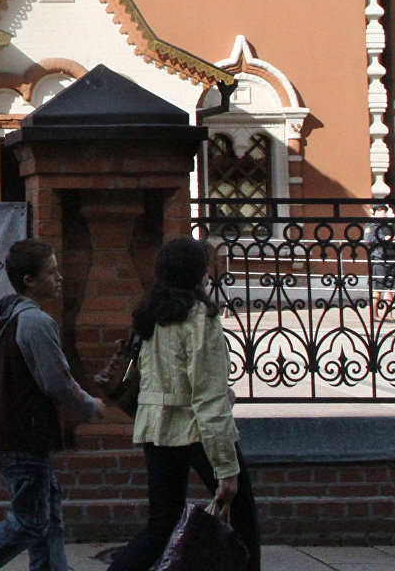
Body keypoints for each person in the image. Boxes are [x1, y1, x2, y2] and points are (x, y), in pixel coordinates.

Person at [0, 239, 103, 571]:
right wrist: (89, 405)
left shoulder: (5, 318)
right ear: (29, 279)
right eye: (52, 272)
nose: (59, 279)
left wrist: (7, 394)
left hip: (11, 428)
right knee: (30, 520)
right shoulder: (35, 322)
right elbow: (56, 379)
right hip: (24, 433)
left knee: (47, 508)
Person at [105, 237, 260, 571]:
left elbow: (159, 377)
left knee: (161, 524)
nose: (208, 271)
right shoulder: (200, 317)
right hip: (197, 429)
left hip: (157, 429)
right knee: (243, 520)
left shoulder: (151, 315)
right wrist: (226, 468)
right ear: (195, 271)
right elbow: (207, 397)